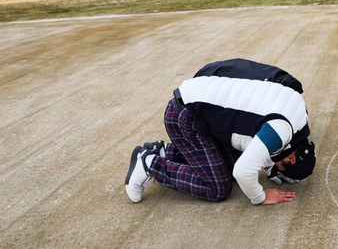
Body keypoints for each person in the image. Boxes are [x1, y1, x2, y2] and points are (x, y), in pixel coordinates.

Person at [125, 57, 315, 205]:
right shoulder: (280, 130)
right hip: (185, 116)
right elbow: (243, 172)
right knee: (217, 188)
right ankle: (150, 163)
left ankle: (166, 152)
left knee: (228, 167)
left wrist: (272, 165)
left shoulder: (299, 116)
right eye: (282, 167)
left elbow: (261, 142)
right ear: (291, 158)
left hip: (201, 105)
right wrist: (260, 196)